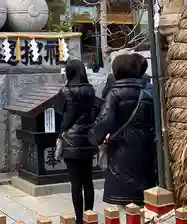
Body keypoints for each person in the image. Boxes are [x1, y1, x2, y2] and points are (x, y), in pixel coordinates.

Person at [89, 53, 156, 206]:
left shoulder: (115, 93)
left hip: (121, 152)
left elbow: (104, 121)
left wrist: (94, 138)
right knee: (145, 201)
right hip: (146, 150)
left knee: (124, 203)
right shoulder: (148, 91)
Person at [58, 59, 99, 224]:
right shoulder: (90, 90)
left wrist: (61, 131)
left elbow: (65, 116)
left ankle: (79, 220)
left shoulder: (65, 91)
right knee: (88, 180)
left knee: (75, 182)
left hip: (71, 140)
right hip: (88, 138)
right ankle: (90, 216)